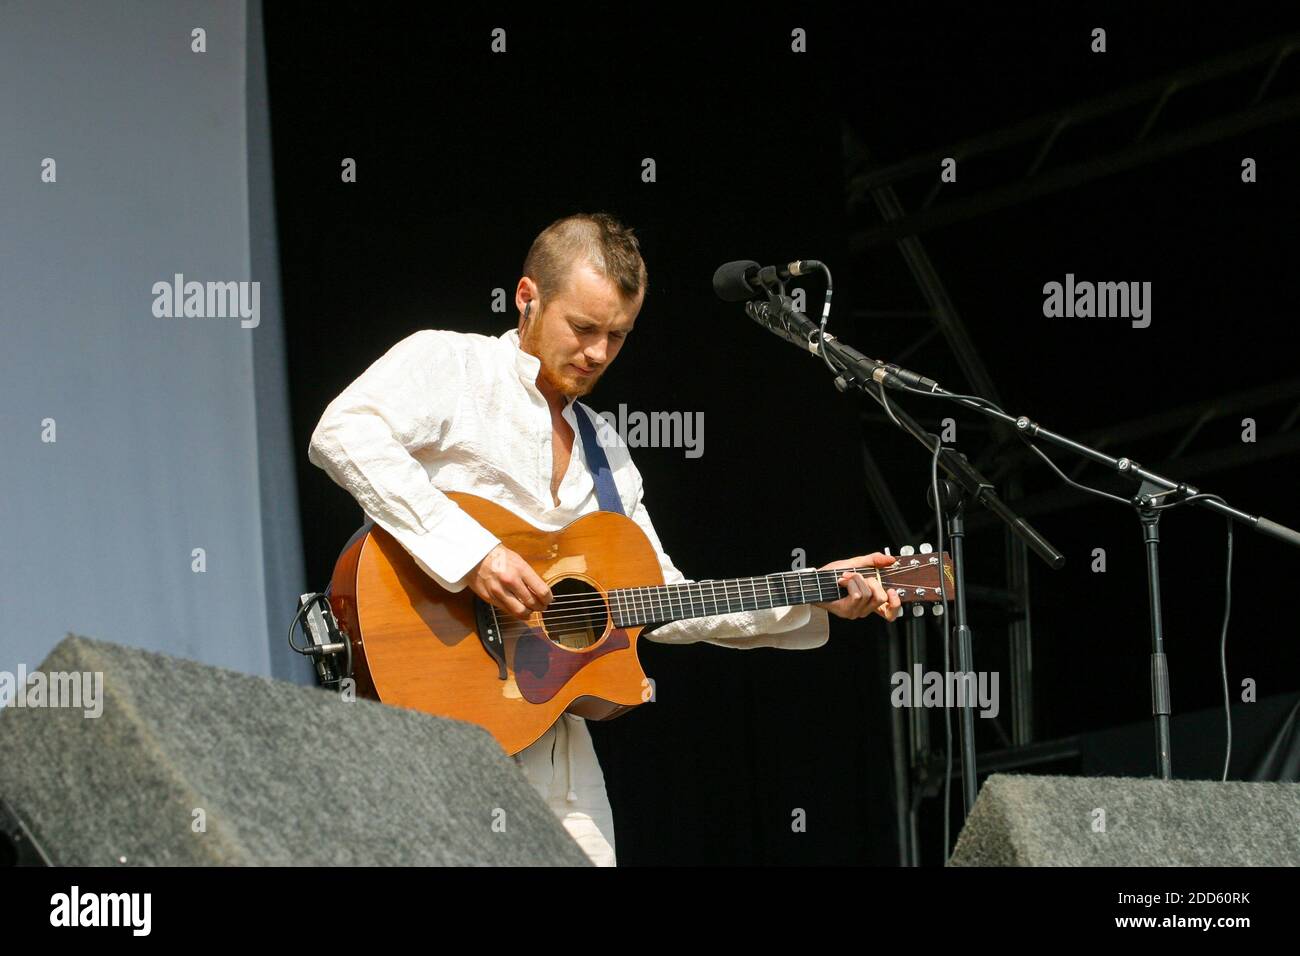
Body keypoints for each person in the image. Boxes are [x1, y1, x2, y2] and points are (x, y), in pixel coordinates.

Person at [307, 212, 902, 866]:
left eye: (617, 336)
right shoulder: (451, 365)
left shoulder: (608, 452)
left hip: (558, 748)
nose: (597, 353)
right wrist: (472, 553)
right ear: (526, 298)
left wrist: (816, 592)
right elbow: (344, 433)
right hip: (442, 727)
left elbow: (664, 600)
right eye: (583, 328)